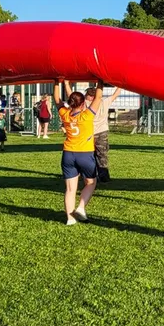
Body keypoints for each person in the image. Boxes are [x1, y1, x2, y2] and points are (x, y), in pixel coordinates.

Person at [54, 79, 104, 225]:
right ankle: (81, 207)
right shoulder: (86, 115)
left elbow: (57, 100)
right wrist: (100, 81)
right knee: (90, 182)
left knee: (70, 189)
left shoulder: (65, 114)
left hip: (68, 153)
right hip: (85, 154)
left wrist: (57, 81)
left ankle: (70, 219)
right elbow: (98, 97)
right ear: (83, 104)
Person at [85, 84, 121, 183]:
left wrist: (66, 84)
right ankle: (104, 176)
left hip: (89, 133)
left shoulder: (86, 104)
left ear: (90, 97)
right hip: (102, 131)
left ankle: (91, 175)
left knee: (89, 156)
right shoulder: (104, 102)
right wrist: (121, 85)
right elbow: (115, 94)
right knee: (102, 155)